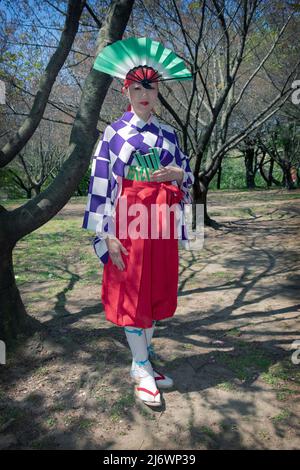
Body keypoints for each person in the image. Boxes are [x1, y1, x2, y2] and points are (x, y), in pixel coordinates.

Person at [82, 37, 194, 407]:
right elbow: (100, 184)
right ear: (125, 90)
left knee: (155, 292)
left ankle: (141, 362)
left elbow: (187, 176)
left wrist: (178, 172)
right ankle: (143, 366)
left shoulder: (169, 135)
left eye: (152, 86)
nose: (146, 93)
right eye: (138, 86)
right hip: (127, 221)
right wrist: (106, 234)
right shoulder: (114, 133)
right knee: (132, 292)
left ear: (159, 90)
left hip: (160, 222)